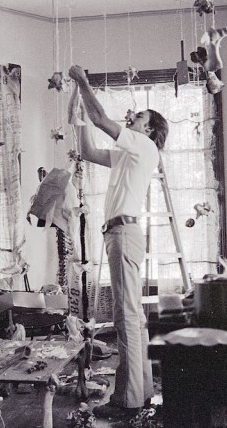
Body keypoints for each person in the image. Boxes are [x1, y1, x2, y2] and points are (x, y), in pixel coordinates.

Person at [68, 64, 169, 420]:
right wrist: (77, 118)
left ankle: (126, 400)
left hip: (123, 234)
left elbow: (101, 119)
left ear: (149, 128)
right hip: (121, 233)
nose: (132, 117)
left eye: (139, 116)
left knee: (125, 316)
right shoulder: (130, 152)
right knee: (132, 317)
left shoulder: (143, 145)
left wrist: (83, 83)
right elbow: (88, 151)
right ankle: (141, 392)